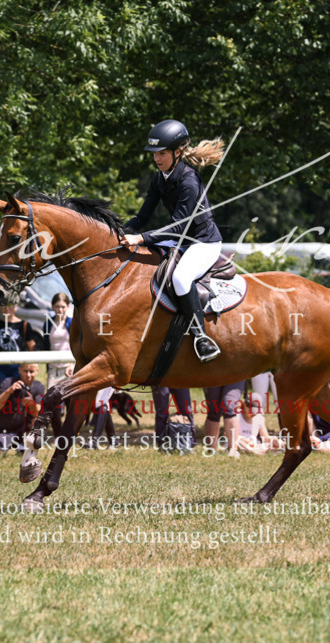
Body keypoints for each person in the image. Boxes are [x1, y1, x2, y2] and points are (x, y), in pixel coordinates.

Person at [119, 119, 225, 362]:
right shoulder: (160, 177)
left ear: (178, 153)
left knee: (180, 277)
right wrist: (121, 232)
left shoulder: (189, 181)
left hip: (202, 243)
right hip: (181, 241)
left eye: (163, 153)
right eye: (155, 153)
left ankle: (201, 337)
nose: (157, 158)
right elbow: (143, 216)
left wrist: (141, 238)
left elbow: (178, 227)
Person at [0, 363, 46, 460]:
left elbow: (38, 413)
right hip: (4, 429)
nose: (28, 375)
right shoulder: (8, 382)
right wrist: (9, 391)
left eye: (31, 372)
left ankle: (22, 446)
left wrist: (31, 404)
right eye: (25, 371)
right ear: (19, 370)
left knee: (30, 455)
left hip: (25, 431)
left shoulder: (39, 386)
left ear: (37, 371)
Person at [0, 303, 38, 388]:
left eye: (10, 306)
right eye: (3, 306)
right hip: (0, 367)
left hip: (19, 368)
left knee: (19, 394)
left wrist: (31, 369)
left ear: (16, 307)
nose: (7, 309)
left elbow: (32, 348)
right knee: (1, 395)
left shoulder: (25, 326)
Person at [40, 293, 73, 435]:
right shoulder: (48, 323)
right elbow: (46, 345)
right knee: (52, 403)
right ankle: (58, 435)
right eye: (57, 307)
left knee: (70, 403)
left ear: (68, 307)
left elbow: (76, 344)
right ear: (53, 307)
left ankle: (70, 433)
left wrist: (73, 364)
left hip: (69, 368)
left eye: (63, 307)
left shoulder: (71, 323)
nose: (60, 310)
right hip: (53, 368)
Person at [202, 380, 244, 457]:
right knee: (213, 410)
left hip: (235, 373)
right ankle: (211, 449)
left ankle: (233, 449)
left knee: (230, 407)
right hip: (213, 373)